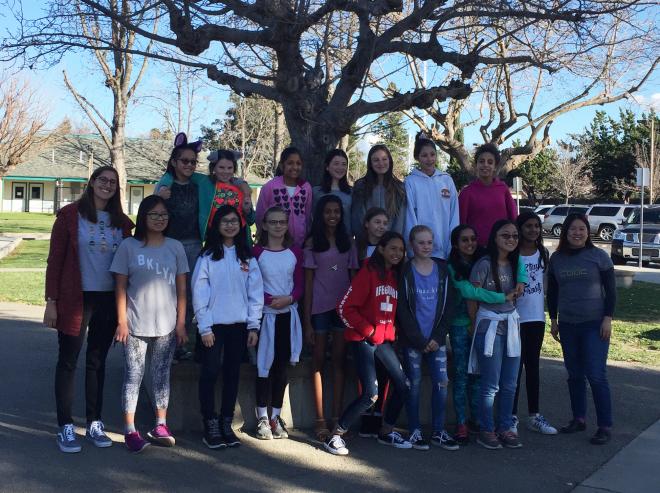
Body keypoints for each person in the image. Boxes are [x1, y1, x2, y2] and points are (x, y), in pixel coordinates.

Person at [45, 165, 133, 453]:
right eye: (102, 180)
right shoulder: (70, 215)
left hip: (108, 299)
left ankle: (94, 422)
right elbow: (55, 260)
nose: (107, 185)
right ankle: (65, 426)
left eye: (113, 182)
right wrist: (51, 302)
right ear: (92, 182)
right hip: (75, 298)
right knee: (68, 361)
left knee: (98, 362)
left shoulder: (122, 222)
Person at [110, 195, 189, 453]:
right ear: (143, 217)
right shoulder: (129, 247)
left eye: (163, 215)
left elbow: (181, 290)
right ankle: (130, 430)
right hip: (134, 325)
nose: (159, 219)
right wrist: (121, 321)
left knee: (161, 375)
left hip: (166, 325)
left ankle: (160, 424)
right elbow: (120, 287)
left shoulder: (175, 247)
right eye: (154, 214)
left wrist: (180, 323)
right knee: (133, 376)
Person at [325, 232, 410, 456]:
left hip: (383, 341)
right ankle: (335, 436)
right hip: (363, 339)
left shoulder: (396, 276)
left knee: (403, 385)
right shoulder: (368, 272)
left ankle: (386, 431)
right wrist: (368, 330)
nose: (397, 253)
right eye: (392, 248)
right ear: (380, 249)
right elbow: (344, 308)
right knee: (370, 393)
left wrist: (390, 333)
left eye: (401, 250)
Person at [192, 205, 263, 449]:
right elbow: (199, 293)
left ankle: (225, 422)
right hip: (213, 327)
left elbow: (255, 293)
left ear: (241, 225)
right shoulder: (208, 256)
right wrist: (204, 328)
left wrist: (254, 326)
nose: (230, 225)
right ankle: (209, 423)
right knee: (210, 373)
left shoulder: (247, 256)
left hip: (240, 326)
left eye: (234, 221)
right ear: (216, 225)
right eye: (225, 221)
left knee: (232, 375)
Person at [548, 213, 616, 445]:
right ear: (565, 233)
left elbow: (611, 291)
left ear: (588, 232)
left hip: (594, 325)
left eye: (582, 229)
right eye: (572, 229)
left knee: (596, 375)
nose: (577, 233)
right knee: (574, 375)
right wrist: (554, 320)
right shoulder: (557, 259)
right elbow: (554, 292)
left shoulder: (599, 257)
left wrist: (608, 318)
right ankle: (579, 418)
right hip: (568, 325)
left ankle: (604, 426)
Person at [446, 224, 515, 444]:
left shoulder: (484, 261)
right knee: (461, 374)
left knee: (479, 375)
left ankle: (478, 418)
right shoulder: (451, 267)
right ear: (456, 244)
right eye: (464, 240)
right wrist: (503, 297)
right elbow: (469, 292)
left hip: (483, 325)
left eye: (473, 239)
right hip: (460, 324)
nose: (470, 244)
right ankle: (461, 422)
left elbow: (516, 262)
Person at [396, 226, 458, 451]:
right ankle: (414, 430)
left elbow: (449, 305)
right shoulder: (405, 271)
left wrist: (438, 336)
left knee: (441, 382)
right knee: (414, 384)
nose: (426, 246)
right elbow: (401, 308)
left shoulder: (442, 270)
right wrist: (418, 339)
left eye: (430, 242)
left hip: (436, 339)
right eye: (421, 243)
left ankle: (439, 431)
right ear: (412, 245)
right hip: (413, 340)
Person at [303, 195, 359, 441]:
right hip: (318, 310)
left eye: (336, 211)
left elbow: (354, 280)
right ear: (319, 214)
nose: (333, 216)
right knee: (317, 362)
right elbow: (307, 284)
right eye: (328, 211)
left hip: (342, 311)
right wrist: (306, 322)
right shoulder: (312, 243)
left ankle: (337, 419)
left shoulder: (349, 243)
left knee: (338, 362)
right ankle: (319, 420)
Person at [467, 220, 525, 450]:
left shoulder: (514, 263)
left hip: (511, 324)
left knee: (510, 383)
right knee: (490, 384)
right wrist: (475, 325)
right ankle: (486, 428)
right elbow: (472, 296)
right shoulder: (483, 264)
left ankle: (505, 427)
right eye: (505, 235)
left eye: (514, 236)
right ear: (494, 237)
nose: (511, 239)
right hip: (489, 326)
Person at [252, 206, 304, 440]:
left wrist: (290, 298)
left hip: (287, 316)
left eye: (282, 222)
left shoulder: (295, 252)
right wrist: (269, 300)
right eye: (273, 222)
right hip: (265, 316)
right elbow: (251, 285)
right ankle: (261, 416)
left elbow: (300, 283)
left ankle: (275, 415)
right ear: (264, 225)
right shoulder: (256, 253)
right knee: (263, 367)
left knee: (281, 368)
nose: (278, 226)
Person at [155, 132, 204, 360]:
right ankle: (164, 344)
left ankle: (182, 344)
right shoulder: (165, 187)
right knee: (168, 293)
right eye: (185, 161)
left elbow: (222, 181)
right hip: (169, 245)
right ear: (174, 162)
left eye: (193, 162)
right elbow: (152, 213)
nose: (189, 165)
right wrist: (160, 198)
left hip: (194, 244)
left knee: (191, 295)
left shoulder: (197, 185)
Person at [512, 211, 557, 435]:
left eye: (536, 226)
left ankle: (534, 415)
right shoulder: (512, 253)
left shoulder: (542, 252)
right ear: (519, 228)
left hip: (536, 318)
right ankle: (510, 416)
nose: (533, 230)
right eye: (528, 226)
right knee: (514, 370)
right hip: (514, 318)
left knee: (532, 367)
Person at [404, 133, 459, 259]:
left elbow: (454, 214)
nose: (429, 159)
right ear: (417, 157)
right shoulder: (410, 182)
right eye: (424, 155)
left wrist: (453, 244)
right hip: (421, 252)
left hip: (445, 249)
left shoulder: (446, 180)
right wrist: (414, 248)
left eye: (432, 154)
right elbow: (410, 217)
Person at [459, 143, 517, 246]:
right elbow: (461, 224)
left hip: (501, 249)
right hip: (476, 250)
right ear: (476, 165)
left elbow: (513, 218)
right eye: (481, 161)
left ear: (495, 166)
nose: (485, 165)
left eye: (490, 162)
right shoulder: (467, 193)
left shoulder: (503, 190)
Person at [255, 147, 313, 248]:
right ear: (282, 166)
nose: (295, 167)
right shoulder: (270, 187)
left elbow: (307, 215)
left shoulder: (306, 187)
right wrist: (263, 237)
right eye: (290, 163)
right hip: (275, 244)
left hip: (300, 244)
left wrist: (307, 237)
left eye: (298, 163)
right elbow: (260, 214)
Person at [351, 144, 406, 239]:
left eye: (384, 159)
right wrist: (365, 239)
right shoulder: (361, 186)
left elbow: (400, 220)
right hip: (366, 243)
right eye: (376, 160)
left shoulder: (399, 187)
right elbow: (358, 216)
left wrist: (392, 240)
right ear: (370, 163)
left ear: (389, 161)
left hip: (390, 244)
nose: (381, 163)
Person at [312, 149, 353, 237]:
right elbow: (311, 218)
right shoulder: (315, 192)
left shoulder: (352, 192)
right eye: (336, 163)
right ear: (327, 166)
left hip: (345, 241)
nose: (340, 168)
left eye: (344, 164)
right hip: (320, 240)